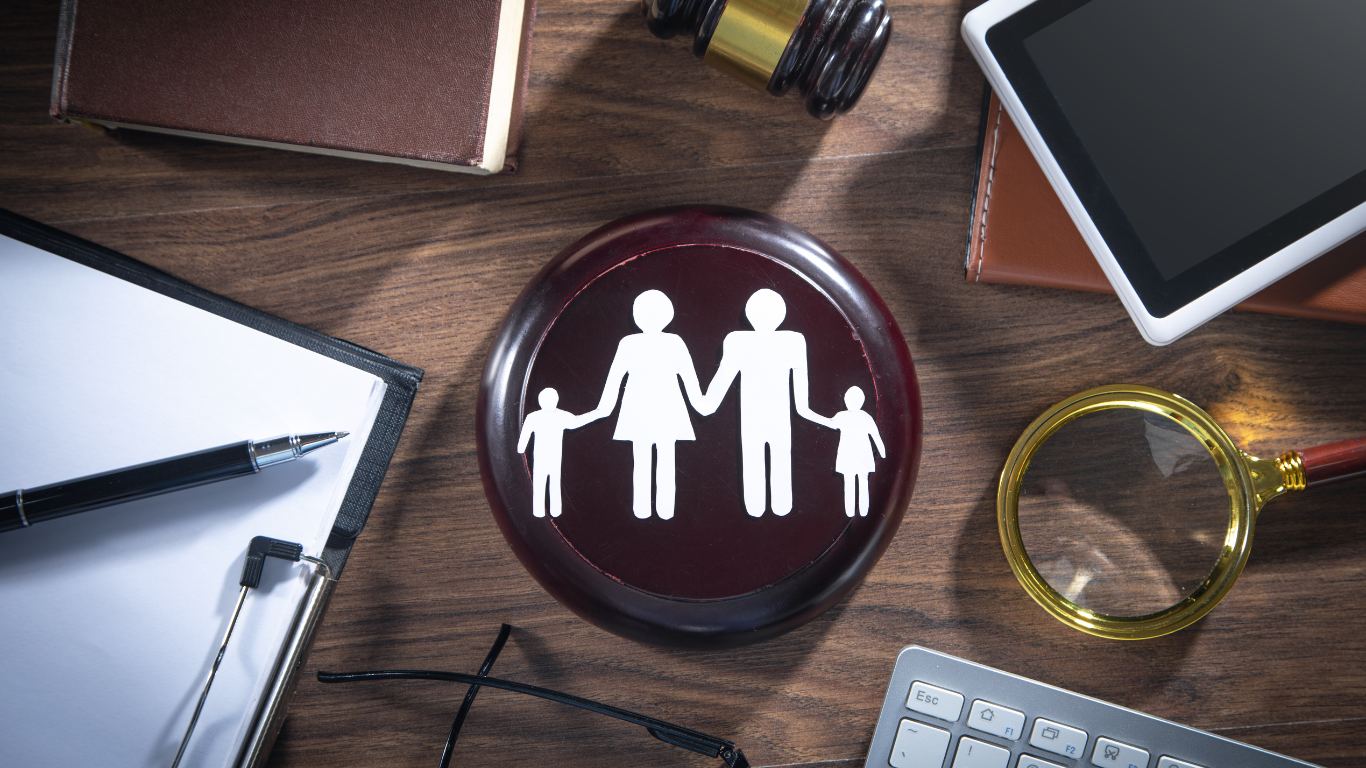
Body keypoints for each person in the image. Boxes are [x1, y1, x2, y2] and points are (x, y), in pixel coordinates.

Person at [701, 289, 831, 517]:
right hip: (775, 420)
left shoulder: (738, 341)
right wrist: (823, 419)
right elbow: (802, 405)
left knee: (755, 461)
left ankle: (762, 508)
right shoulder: (792, 341)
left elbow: (717, 391)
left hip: (754, 419)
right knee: (776, 460)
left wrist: (702, 404)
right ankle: (777, 507)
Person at [588, 290, 707, 520]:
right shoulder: (673, 342)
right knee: (663, 460)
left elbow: (614, 381)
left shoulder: (630, 343)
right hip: (664, 412)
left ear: (636, 315)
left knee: (643, 460)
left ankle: (645, 509)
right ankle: (663, 510)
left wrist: (602, 410)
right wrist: (702, 404)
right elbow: (690, 382)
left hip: (640, 412)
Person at [516, 388, 599, 518]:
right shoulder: (546, 416)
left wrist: (596, 414)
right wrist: (596, 414)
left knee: (545, 483)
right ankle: (551, 511)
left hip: (547, 457)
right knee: (548, 483)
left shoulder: (537, 417)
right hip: (547, 457)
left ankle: (545, 511)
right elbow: (577, 421)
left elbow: (577, 421)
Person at [830, 386, 885, 517]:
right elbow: (876, 436)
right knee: (861, 481)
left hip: (850, 455)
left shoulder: (842, 416)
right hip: (861, 456)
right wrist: (882, 451)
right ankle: (858, 511)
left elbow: (829, 423)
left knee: (852, 481)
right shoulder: (865, 417)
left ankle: (853, 511)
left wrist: (883, 452)